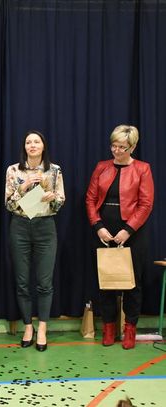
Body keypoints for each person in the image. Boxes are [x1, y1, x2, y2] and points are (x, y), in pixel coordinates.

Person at [85, 125, 154, 350]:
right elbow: (90, 199)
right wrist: (98, 226)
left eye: (122, 147)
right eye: (113, 146)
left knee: (132, 284)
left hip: (132, 233)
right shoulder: (101, 167)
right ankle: (108, 327)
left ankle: (130, 328)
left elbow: (145, 204)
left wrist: (128, 230)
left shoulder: (142, 169)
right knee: (106, 282)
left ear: (132, 147)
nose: (116, 150)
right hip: (104, 232)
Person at [5, 130, 65, 352]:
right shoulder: (14, 170)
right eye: (28, 142)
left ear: (43, 146)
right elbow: (9, 204)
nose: (32, 145)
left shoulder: (54, 170)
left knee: (44, 282)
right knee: (22, 281)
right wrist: (23, 186)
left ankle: (42, 329)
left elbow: (60, 201)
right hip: (20, 226)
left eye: (36, 142)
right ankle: (28, 326)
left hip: (45, 226)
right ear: (24, 147)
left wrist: (52, 197)